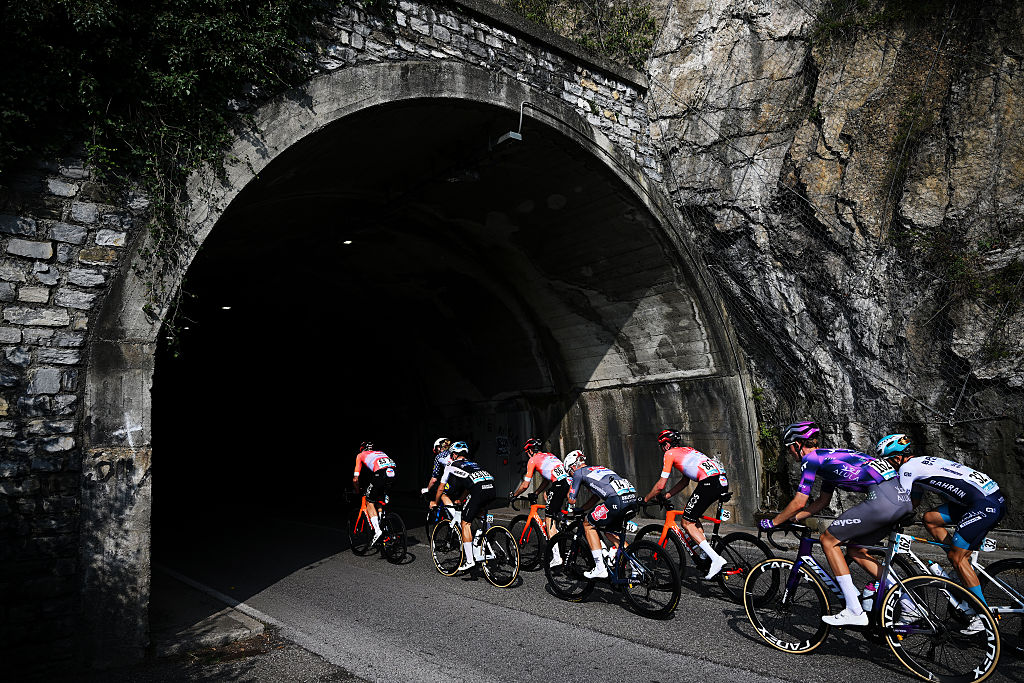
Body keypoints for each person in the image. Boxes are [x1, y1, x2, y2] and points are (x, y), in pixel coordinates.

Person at [759, 422, 912, 626]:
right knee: (856, 549)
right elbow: (821, 502)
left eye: (789, 449)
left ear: (797, 444)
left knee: (828, 540)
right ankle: (907, 601)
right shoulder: (831, 459)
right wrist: (795, 518)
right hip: (902, 501)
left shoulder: (811, 459)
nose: (790, 454)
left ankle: (854, 610)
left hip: (881, 502)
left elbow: (799, 501)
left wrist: (773, 522)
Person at [885, 434, 1006, 609]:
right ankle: (960, 569)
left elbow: (901, 503)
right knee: (930, 519)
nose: (887, 468)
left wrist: (879, 521)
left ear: (897, 458)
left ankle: (981, 613)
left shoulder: (906, 469)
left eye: (887, 462)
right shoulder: (919, 463)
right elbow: (913, 503)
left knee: (957, 558)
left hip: (984, 505)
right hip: (990, 499)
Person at [642, 429, 730, 580]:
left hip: (709, 483)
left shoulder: (669, 454)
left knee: (686, 522)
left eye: (662, 445)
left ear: (666, 444)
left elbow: (660, 485)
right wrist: (666, 496)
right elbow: (685, 481)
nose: (662, 448)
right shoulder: (688, 451)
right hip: (721, 481)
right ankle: (705, 553)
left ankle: (715, 558)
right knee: (692, 517)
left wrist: (646, 499)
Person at [563, 451, 640, 579]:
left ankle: (599, 568)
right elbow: (596, 497)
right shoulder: (599, 469)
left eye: (569, 472)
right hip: (631, 499)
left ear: (573, 466)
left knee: (588, 524)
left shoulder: (578, 472)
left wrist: (571, 494)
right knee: (611, 532)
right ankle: (636, 566)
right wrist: (582, 509)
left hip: (616, 501)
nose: (571, 475)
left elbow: (571, 498)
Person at [434, 441, 497, 573]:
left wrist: (435, 501)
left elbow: (440, 488)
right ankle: (486, 534)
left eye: (452, 454)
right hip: (491, 488)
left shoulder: (451, 465)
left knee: (465, 522)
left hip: (479, 491)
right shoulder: (473, 464)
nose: (451, 457)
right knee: (478, 514)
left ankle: (469, 560)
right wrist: (461, 499)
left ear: (455, 454)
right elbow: (470, 486)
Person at [508, 438, 572, 566]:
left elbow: (525, 485)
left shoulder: (533, 460)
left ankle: (557, 557)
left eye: (527, 452)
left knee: (549, 520)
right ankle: (561, 533)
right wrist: (536, 492)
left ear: (530, 451)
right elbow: (547, 480)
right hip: (569, 484)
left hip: (559, 485)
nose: (527, 455)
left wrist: (514, 495)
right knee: (547, 497)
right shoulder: (549, 456)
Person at [353, 441, 398, 546]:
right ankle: (384, 523)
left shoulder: (360, 455)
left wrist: (357, 491)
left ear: (362, 449)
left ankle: (378, 531)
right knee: (379, 498)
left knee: (369, 501)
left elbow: (355, 479)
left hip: (381, 474)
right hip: (394, 473)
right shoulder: (379, 453)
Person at [422, 437, 453, 509]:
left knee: (441, 493)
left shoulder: (439, 457)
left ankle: (453, 515)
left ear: (439, 447)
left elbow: (434, 479)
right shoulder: (455, 453)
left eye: (436, 450)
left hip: (454, 480)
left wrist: (427, 489)